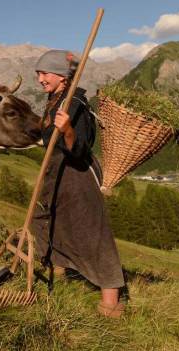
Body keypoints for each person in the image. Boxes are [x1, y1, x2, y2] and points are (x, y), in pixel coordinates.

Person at [31, 49, 126, 318]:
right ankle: (60, 272)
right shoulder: (54, 99)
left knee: (91, 233)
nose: (40, 79)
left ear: (62, 76)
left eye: (44, 73)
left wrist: (69, 130)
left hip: (77, 175)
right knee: (46, 221)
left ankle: (111, 300)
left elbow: (81, 148)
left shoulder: (76, 104)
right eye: (38, 73)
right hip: (56, 173)